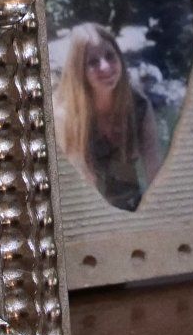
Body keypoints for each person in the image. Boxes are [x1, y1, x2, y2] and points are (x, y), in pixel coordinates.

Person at [55, 22, 164, 212]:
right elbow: (80, 188)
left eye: (110, 56)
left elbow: (155, 172)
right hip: (88, 213)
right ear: (79, 71)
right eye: (93, 62)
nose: (105, 67)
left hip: (132, 205)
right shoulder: (65, 117)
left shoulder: (139, 106)